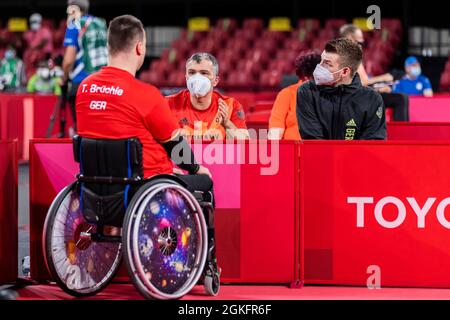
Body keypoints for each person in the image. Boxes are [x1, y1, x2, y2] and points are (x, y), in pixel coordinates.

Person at [76, 15, 220, 278]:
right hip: (143, 187)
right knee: (205, 184)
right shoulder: (146, 95)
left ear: (109, 46)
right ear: (140, 48)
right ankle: (206, 268)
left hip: (95, 190)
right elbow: (175, 146)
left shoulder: (84, 88)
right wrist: (198, 167)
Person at [296, 38, 386, 140]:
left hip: (357, 156)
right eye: (321, 60)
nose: (319, 66)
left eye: (327, 64)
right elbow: (313, 141)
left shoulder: (372, 99)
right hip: (319, 155)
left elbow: (373, 143)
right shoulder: (307, 91)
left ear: (344, 72)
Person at [166, 52, 249, 141]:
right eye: (192, 72)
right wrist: (172, 136)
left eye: (204, 73)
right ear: (186, 77)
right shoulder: (168, 104)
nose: (197, 78)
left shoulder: (231, 105)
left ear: (216, 81)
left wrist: (226, 123)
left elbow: (245, 144)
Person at [340, 24, 409, 121]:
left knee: (401, 97)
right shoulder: (345, 57)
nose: (362, 43)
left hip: (362, 93)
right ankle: (402, 133)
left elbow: (363, 84)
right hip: (354, 98)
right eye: (359, 41)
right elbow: (359, 84)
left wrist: (379, 88)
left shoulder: (354, 56)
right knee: (400, 99)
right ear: (350, 38)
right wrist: (383, 78)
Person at [62, 0, 108, 131]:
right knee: (100, 128)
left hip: (83, 83)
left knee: (83, 130)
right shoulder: (100, 23)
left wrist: (64, 77)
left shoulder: (74, 25)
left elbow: (68, 61)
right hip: (104, 84)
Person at [268, 50, 321, 140]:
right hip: (291, 150)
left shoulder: (329, 93)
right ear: (305, 77)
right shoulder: (287, 94)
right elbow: (275, 133)